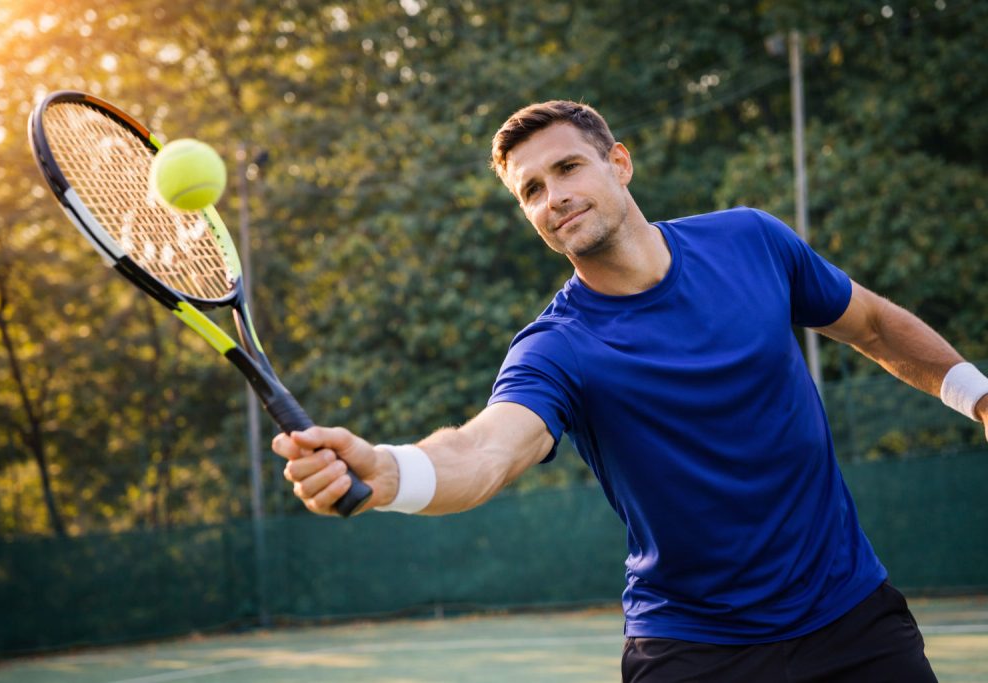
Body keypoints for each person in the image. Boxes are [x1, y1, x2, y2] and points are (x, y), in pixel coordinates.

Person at [272, 100, 988, 682]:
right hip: (692, 652)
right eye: (531, 191)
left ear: (619, 163)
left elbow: (870, 322)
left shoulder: (751, 242)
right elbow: (488, 447)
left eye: (566, 168)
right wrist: (391, 469)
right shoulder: (557, 347)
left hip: (853, 620)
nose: (554, 197)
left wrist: (978, 397)